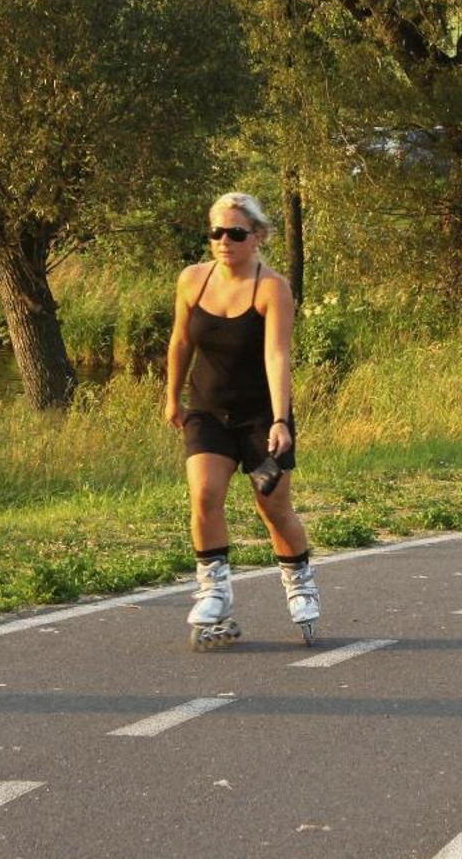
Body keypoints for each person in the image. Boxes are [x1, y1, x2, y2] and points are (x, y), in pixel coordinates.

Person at [163, 191, 320, 647]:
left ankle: (299, 581)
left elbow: (277, 355)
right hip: (208, 410)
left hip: (260, 417)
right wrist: (172, 397)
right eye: (216, 232)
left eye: (235, 233)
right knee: (205, 494)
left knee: (272, 507)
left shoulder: (272, 287)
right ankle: (214, 589)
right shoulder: (192, 280)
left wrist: (279, 420)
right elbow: (179, 342)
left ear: (257, 237)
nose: (224, 241)